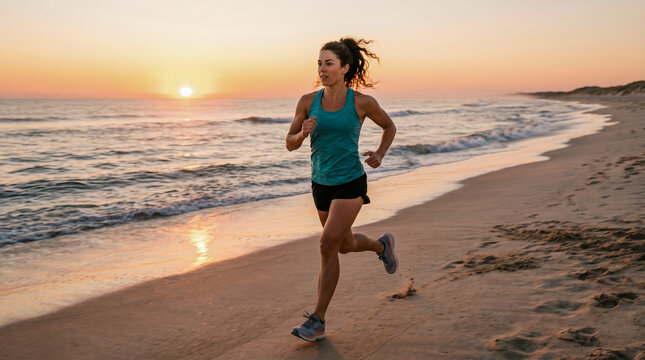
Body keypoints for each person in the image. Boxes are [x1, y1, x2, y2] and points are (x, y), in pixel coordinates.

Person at [285, 37, 398, 342]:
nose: (322, 69)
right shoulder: (307, 101)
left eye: (329, 63)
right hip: (320, 183)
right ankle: (381, 245)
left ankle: (318, 320)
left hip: (350, 181)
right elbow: (289, 142)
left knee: (326, 245)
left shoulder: (362, 102)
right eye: (319, 63)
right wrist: (302, 133)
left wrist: (380, 154)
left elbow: (389, 127)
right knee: (343, 245)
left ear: (345, 68)